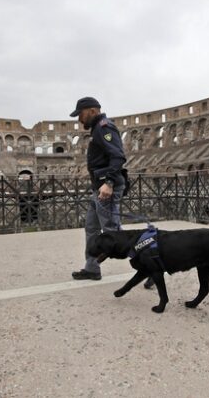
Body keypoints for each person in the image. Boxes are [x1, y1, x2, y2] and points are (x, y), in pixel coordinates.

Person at [70, 96, 127, 280]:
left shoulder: (104, 127)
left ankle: (150, 263)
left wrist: (109, 183)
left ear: (92, 111)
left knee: (114, 234)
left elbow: (118, 156)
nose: (79, 119)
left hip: (106, 188)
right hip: (99, 188)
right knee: (92, 228)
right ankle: (92, 268)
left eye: (81, 114)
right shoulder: (97, 129)